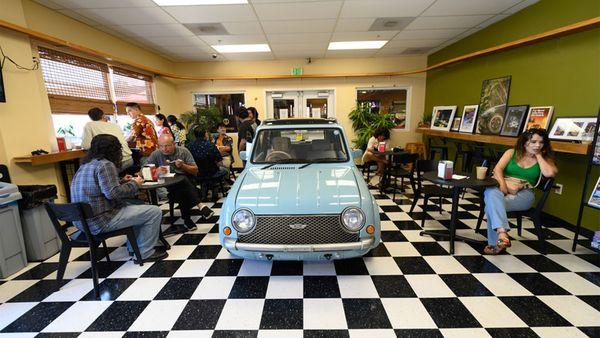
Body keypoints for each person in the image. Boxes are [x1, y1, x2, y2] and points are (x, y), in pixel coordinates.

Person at [71, 134, 167, 262]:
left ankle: (134, 248)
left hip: (83, 222)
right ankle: (145, 252)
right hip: (101, 221)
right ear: (114, 150)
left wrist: (121, 181)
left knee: (136, 207)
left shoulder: (85, 166)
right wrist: (135, 183)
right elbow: (112, 193)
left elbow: (100, 187)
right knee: (154, 211)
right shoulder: (105, 164)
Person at [483, 128, 558, 255]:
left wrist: (539, 154)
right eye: (533, 142)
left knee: (491, 204)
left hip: (525, 194)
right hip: (503, 187)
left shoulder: (545, 158)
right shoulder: (511, 153)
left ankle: (496, 241)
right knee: (492, 195)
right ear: (524, 142)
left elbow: (549, 173)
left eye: (541, 142)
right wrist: (504, 186)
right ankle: (502, 236)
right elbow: (497, 170)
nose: (538, 145)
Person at [146, 134, 214, 230]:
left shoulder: (183, 151)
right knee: (182, 185)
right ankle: (200, 206)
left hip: (187, 180)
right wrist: (156, 171)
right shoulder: (156, 154)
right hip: (169, 184)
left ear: (174, 144)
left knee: (181, 186)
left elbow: (195, 170)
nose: (164, 149)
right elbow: (143, 171)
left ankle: (187, 220)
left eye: (167, 145)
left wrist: (183, 166)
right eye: (161, 146)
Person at [81, 107, 133, 172]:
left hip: (114, 163)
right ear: (103, 115)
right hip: (129, 159)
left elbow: (86, 145)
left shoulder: (89, 125)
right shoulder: (115, 125)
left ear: (91, 118)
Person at [188, 126, 229, 200]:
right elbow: (219, 161)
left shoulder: (189, 146)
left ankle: (204, 190)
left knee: (204, 176)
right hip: (212, 172)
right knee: (224, 170)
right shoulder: (210, 145)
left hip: (196, 173)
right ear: (205, 134)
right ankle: (214, 188)